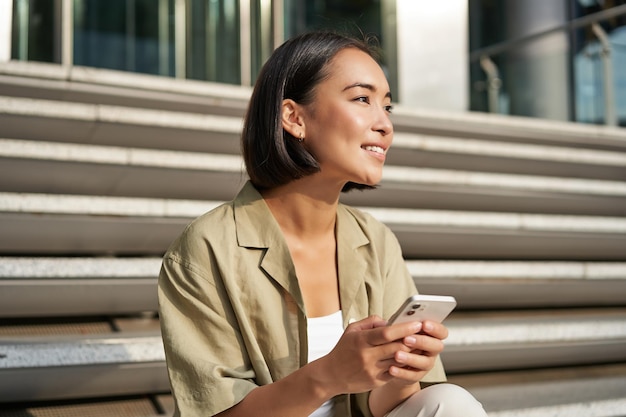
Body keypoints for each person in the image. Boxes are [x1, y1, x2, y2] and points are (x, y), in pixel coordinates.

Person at [158, 31, 488, 417]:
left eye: (387, 107)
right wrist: (329, 374)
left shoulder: (374, 240)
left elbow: (389, 406)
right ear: (294, 117)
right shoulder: (208, 246)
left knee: (450, 402)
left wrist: (401, 371)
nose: (384, 124)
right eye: (362, 99)